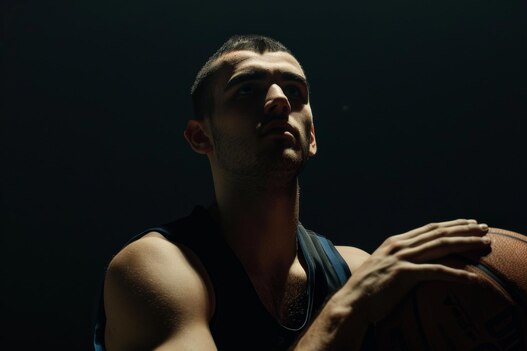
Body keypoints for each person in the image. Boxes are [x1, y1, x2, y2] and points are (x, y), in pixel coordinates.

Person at [93, 34, 492, 351]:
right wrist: (346, 309)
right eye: (247, 90)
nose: (280, 101)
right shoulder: (156, 269)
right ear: (201, 136)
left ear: (312, 136)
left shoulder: (355, 269)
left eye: (295, 92)